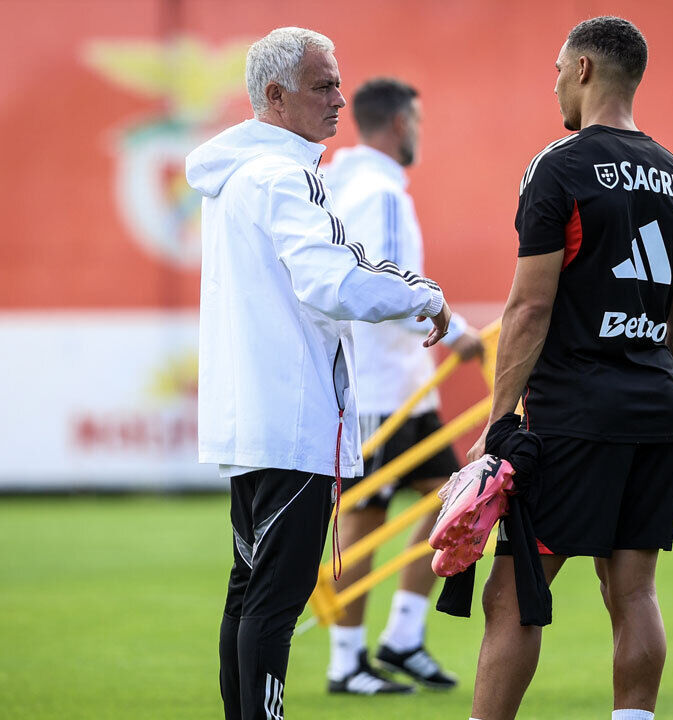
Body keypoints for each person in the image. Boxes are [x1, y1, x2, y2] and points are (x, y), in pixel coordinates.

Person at [185, 27, 453, 720]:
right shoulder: (285, 175)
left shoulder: (242, 175)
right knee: (272, 602)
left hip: (255, 421)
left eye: (337, 82)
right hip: (293, 420)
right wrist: (422, 294)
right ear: (275, 98)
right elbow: (332, 280)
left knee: (248, 594)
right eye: (323, 85)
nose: (340, 99)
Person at [463, 17, 673, 720]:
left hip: (571, 414)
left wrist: (498, 420)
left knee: (514, 594)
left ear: (582, 71)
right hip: (655, 412)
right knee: (632, 591)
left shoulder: (560, 166)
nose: (554, 87)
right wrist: (657, 397)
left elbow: (529, 310)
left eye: (556, 72)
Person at [321, 76, 484, 695]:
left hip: (388, 384)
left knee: (451, 504)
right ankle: (350, 659)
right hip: (382, 389)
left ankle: (401, 639)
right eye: (415, 120)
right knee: (370, 518)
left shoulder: (344, 185)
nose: (418, 132)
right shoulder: (381, 192)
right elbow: (388, 285)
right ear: (397, 124)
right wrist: (457, 330)